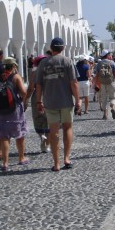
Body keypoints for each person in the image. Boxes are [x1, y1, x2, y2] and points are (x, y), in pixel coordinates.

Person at [36, 38, 80, 172]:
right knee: (67, 128)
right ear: (63, 48)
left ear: (51, 48)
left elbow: (38, 85)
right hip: (66, 101)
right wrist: (78, 100)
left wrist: (38, 101)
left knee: (53, 131)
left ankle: (56, 163)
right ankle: (67, 158)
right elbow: (74, 83)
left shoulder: (43, 63)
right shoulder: (67, 61)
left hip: (50, 102)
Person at [0, 57, 29, 171]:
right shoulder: (16, 77)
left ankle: (5, 163)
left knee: (4, 136)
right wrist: (23, 102)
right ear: (13, 66)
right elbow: (24, 92)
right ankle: (21, 158)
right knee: (19, 135)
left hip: (0, 110)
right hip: (14, 109)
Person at [25, 55, 50, 152]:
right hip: (50, 95)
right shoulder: (50, 71)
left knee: (38, 118)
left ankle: (42, 137)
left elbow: (31, 88)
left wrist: (26, 99)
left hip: (37, 96)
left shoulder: (34, 73)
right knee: (49, 119)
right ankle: (47, 144)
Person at [94, 49, 115, 120]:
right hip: (110, 82)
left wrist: (96, 83)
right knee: (113, 97)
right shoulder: (112, 62)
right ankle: (113, 107)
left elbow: (97, 74)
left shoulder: (99, 63)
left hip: (102, 83)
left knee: (104, 99)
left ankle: (105, 115)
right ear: (107, 55)